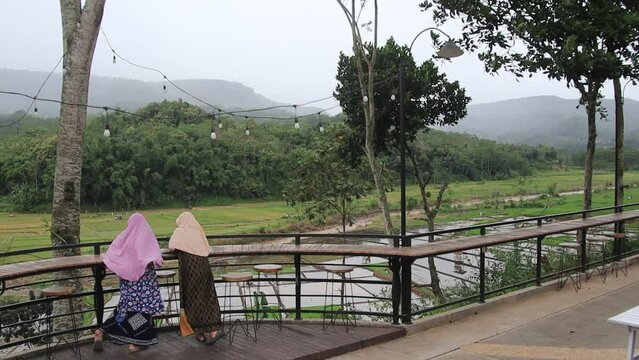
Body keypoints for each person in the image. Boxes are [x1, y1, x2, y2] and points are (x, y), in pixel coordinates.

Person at [94, 213, 164, 353]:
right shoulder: (147, 237)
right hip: (145, 286)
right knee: (142, 314)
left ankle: (102, 331)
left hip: (128, 286)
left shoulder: (123, 238)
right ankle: (136, 342)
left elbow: (111, 255)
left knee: (124, 312)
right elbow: (156, 257)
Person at [169, 211, 222, 344]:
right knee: (208, 297)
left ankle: (199, 332)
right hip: (204, 268)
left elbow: (171, 247)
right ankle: (214, 330)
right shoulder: (198, 230)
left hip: (190, 270)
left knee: (193, 299)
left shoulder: (180, 232)